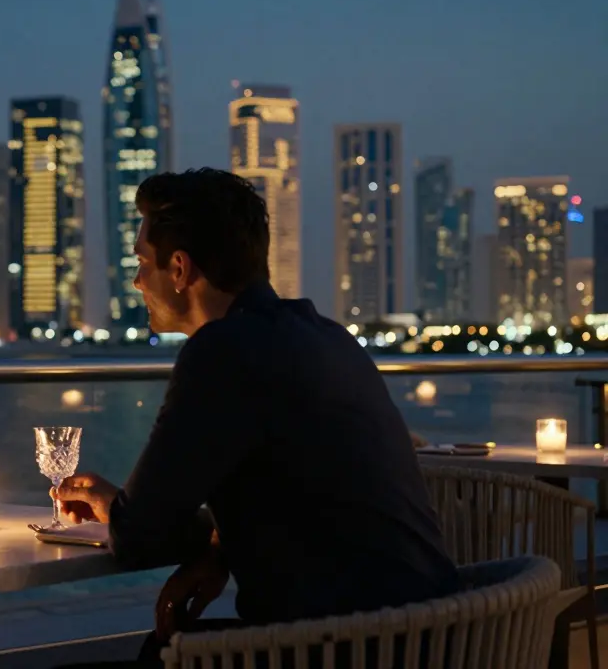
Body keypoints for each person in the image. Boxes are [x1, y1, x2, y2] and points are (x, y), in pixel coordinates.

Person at [56, 169, 459, 666]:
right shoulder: (329, 337)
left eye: (142, 262)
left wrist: (107, 501)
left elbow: (139, 536)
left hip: (343, 648)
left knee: (154, 653)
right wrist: (220, 546)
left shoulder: (220, 353)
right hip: (436, 634)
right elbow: (304, 495)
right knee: (161, 648)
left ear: (179, 269)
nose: (138, 281)